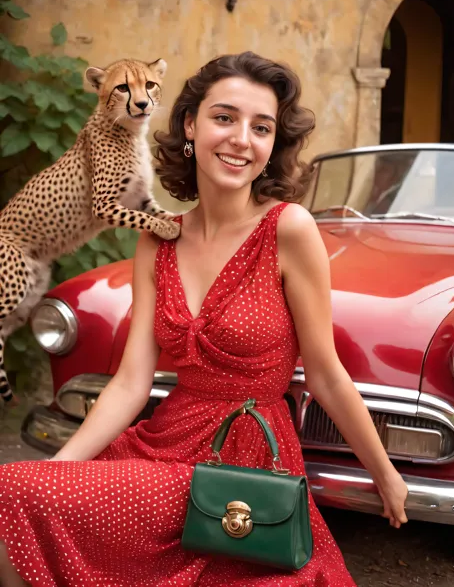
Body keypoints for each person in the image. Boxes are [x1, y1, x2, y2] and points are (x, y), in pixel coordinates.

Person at [0, 51, 408, 586]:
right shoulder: (159, 235)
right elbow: (129, 382)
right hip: (162, 447)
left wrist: (386, 474)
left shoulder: (290, 229)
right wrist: (62, 469)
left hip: (245, 460)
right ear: (191, 124)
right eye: (224, 117)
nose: (242, 138)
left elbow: (326, 373)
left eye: (261, 127)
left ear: (271, 146)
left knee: (10, 495)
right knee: (20, 500)